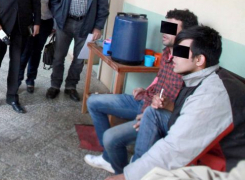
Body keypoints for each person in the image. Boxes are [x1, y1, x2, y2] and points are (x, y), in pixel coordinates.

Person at [109, 26, 245, 180]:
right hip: (204, 149)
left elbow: (175, 149)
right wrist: (168, 106)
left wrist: (127, 177)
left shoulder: (213, 94)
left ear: (199, 59)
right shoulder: (198, 77)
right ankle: (136, 165)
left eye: (180, 52)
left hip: (225, 168)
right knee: (151, 114)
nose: (172, 56)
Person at [84, 9, 199, 174]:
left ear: (185, 34)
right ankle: (109, 158)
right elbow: (162, 80)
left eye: (171, 28)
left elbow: (176, 108)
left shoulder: (188, 63)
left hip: (155, 114)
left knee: (111, 137)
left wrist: (147, 113)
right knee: (93, 102)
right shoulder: (168, 51)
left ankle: (125, 169)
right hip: (145, 101)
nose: (164, 31)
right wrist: (147, 90)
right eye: (165, 26)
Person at [47, 0, 109, 101]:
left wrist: (98, 27)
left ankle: (71, 86)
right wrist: (58, 15)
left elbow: (103, 5)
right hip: (64, 22)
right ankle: (55, 85)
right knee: (59, 56)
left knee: (80, 58)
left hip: (86, 24)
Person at [18, 0, 53, 93]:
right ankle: (18, 78)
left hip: (46, 22)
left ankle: (31, 79)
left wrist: (54, 24)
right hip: (30, 23)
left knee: (37, 51)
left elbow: (53, 3)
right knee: (26, 51)